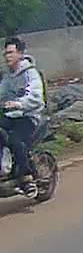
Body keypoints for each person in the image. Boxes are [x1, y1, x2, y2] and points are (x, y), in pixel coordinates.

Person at [1, 37, 47, 198]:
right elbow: (1, 94)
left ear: (20, 54)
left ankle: (26, 179)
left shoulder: (30, 73)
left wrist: (18, 104)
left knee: (16, 140)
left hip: (28, 116)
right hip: (10, 116)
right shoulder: (8, 76)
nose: (7, 56)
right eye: (6, 53)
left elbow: (36, 97)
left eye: (11, 52)